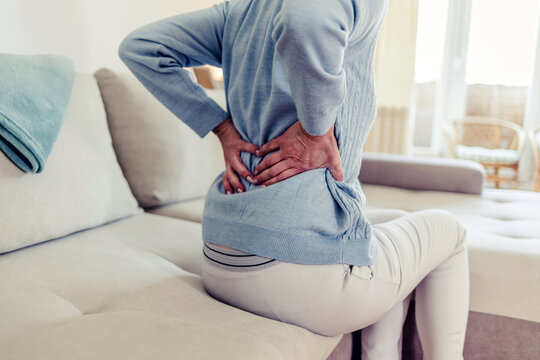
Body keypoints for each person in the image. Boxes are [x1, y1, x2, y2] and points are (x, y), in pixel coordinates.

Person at [118, 0, 470, 358]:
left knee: (386, 230)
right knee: (451, 231)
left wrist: (221, 126)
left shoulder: (240, 10)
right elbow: (306, 17)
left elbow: (142, 47)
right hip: (300, 279)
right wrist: (314, 133)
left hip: (221, 262)